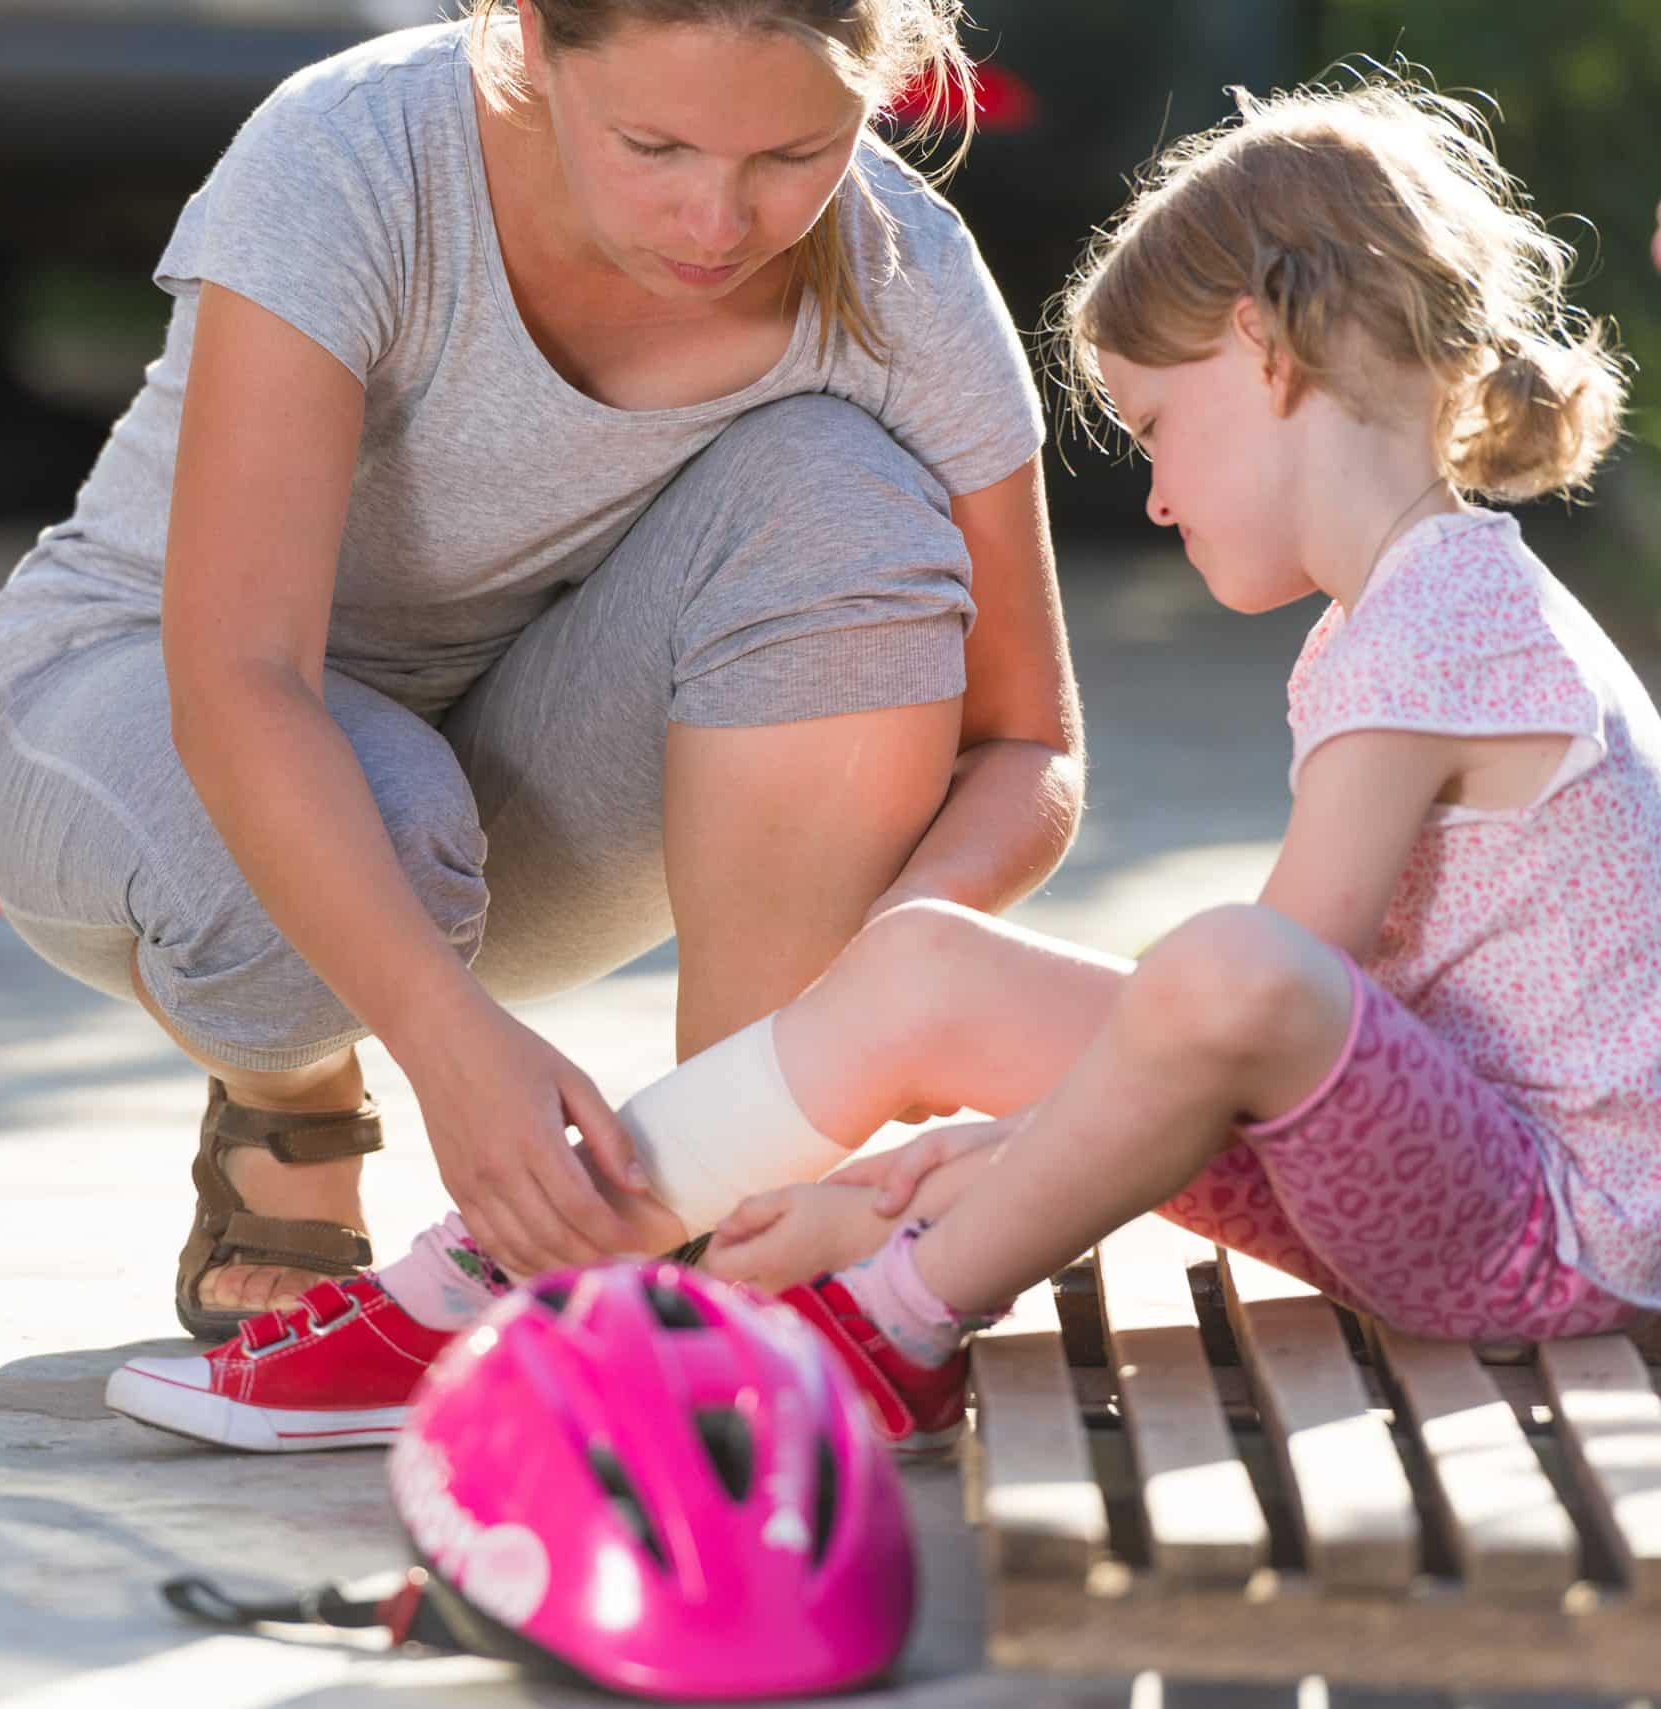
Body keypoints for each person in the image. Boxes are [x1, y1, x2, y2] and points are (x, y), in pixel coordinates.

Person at [109, 69, 1658, 1457]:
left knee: (1230, 966)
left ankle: (892, 1322)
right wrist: (1006, 1143)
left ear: (1259, 351)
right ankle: (505, 1261)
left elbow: (1281, 997)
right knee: (926, 966)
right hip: (1452, 1166)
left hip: (1556, 1236)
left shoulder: (1441, 624)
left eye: (1154, 424)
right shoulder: (1414, 610)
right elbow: (1288, 1051)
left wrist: (1004, 1164)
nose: (1165, 498)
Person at [0, 0, 1082, 1341]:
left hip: (509, 799)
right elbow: (244, 677)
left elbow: (1030, 743)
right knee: (378, 815)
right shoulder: (353, 154)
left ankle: (739, 1205)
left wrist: (890, 975)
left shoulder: (908, 277)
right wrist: (447, 1049)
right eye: (654, 146)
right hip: (137, 708)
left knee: (841, 496)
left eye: (794, 155)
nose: (718, 223)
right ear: (534, 41)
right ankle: (297, 1095)